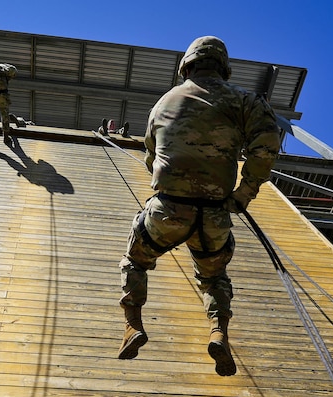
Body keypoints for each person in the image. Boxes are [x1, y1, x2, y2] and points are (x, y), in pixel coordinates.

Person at [117, 36, 283, 376]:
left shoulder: (164, 102)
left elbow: (151, 157)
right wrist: (243, 194)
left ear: (186, 66)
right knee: (214, 277)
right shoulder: (245, 101)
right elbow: (266, 146)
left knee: (136, 260)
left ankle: (133, 325)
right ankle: (218, 333)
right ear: (223, 67)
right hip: (215, 215)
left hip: (167, 209)